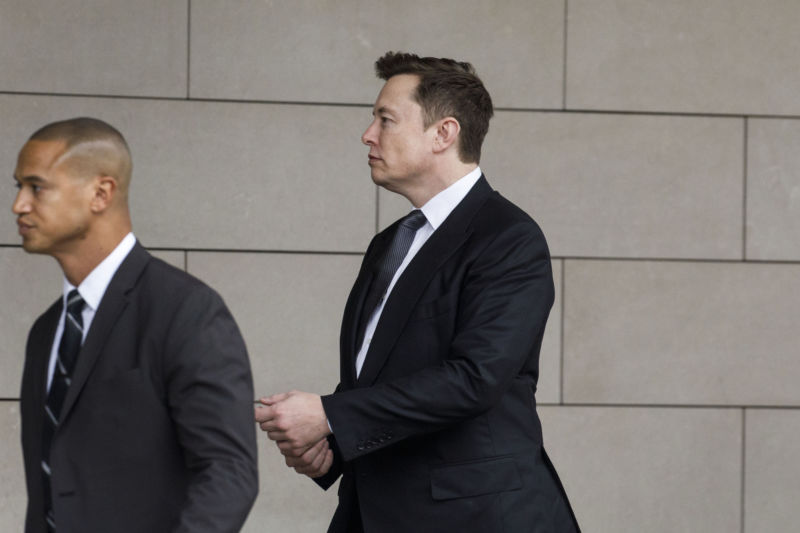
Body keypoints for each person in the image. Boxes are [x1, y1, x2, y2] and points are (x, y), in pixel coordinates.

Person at [255, 52, 580, 532]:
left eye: (385, 119)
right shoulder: (391, 243)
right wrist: (333, 449)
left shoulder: (509, 238)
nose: (368, 134)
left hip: (475, 518)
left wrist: (330, 415)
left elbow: (476, 378)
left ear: (443, 134)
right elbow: (384, 378)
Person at [13, 117, 258, 533]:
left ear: (101, 193)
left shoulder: (186, 310)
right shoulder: (46, 330)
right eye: (17, 187)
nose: (19, 204)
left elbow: (229, 474)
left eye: (36, 187)